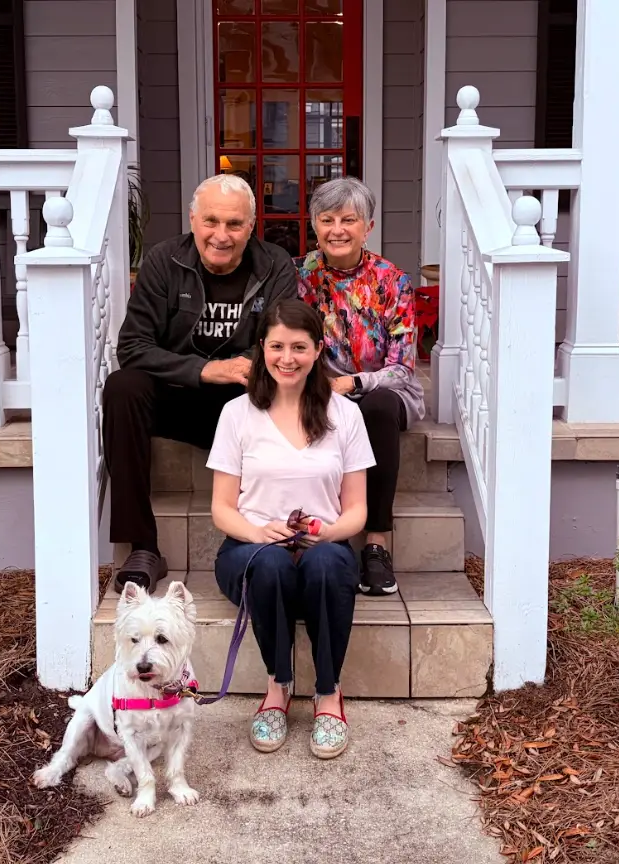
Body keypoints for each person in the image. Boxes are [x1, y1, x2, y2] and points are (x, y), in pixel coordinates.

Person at [104, 174, 299, 593]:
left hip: (244, 404)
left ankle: (276, 537)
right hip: (176, 398)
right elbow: (133, 346)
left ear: (251, 226)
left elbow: (282, 341)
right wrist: (203, 370)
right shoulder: (164, 261)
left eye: (234, 224)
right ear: (193, 220)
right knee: (123, 387)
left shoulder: (275, 264)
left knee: (288, 392)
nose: (221, 235)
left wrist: (245, 366)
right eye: (211, 221)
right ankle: (143, 547)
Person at [207, 300, 374, 759]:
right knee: (274, 565)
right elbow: (222, 509)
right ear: (261, 349)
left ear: (318, 349)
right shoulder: (237, 415)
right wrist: (259, 533)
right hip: (252, 551)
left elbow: (358, 509)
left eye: (299, 347)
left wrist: (331, 531)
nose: (287, 358)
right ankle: (277, 689)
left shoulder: (345, 416)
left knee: (324, 563)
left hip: (324, 547)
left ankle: (327, 694)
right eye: (277, 346)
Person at [296, 176, 425, 597]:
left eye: (348, 219)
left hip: (385, 394)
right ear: (314, 224)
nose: (337, 229)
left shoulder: (393, 280)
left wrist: (353, 381)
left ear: (367, 227)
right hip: (323, 392)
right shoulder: (303, 276)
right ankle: (306, 538)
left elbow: (402, 368)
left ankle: (375, 542)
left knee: (378, 407)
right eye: (327, 219)